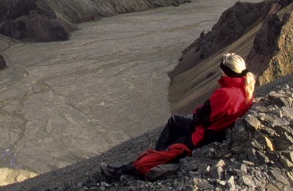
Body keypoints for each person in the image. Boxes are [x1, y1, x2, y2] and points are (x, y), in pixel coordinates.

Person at [101, 52, 256, 182]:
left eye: (222, 70)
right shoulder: (246, 90)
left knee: (158, 154)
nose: (220, 73)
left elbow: (201, 117)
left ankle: (122, 171)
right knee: (174, 122)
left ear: (227, 72)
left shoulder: (226, 94)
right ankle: (160, 151)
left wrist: (197, 116)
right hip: (211, 133)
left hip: (202, 136)